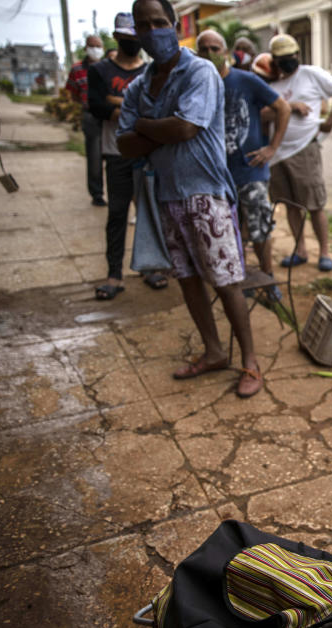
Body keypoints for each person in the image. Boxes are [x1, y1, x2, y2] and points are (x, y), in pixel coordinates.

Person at [117, 0, 262, 398]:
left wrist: (145, 126)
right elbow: (124, 144)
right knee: (187, 279)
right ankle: (214, 352)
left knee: (228, 281)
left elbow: (183, 128)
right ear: (138, 33)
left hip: (206, 195)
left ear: (174, 23)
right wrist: (154, 130)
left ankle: (250, 362)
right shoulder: (139, 85)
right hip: (165, 195)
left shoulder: (199, 71)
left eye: (160, 22)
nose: (154, 31)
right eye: (144, 25)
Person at [197, 30, 291, 294]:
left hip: (251, 171)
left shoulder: (246, 81)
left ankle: (267, 277)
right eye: (204, 49)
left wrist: (272, 148)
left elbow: (283, 108)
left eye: (216, 48)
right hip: (215, 175)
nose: (210, 54)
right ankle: (240, 276)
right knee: (229, 230)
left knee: (260, 226)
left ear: (225, 52)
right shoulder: (198, 84)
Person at [88, 12, 168, 299]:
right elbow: (97, 106)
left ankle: (151, 267)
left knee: (150, 213)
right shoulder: (100, 71)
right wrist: (137, 111)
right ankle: (114, 274)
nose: (132, 42)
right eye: (126, 37)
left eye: (136, 37)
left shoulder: (152, 70)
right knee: (118, 213)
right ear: (117, 37)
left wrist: (119, 105)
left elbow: (160, 109)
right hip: (117, 151)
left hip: (148, 154)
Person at [266, 34, 332, 271]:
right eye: (282, 58)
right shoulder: (270, 83)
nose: (288, 61)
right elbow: (262, 112)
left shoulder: (311, 74)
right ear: (275, 60)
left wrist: (331, 121)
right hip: (277, 154)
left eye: (291, 56)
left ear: (298, 55)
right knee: (290, 205)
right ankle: (300, 249)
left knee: (314, 205)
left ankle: (324, 252)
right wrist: (290, 107)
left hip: (305, 149)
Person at [66, 34, 106, 206]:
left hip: (109, 116)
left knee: (115, 157)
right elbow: (72, 92)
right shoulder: (77, 69)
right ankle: (97, 193)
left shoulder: (108, 67)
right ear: (86, 48)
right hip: (91, 116)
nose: (95, 49)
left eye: (98, 46)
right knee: (94, 157)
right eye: (92, 46)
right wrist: (86, 105)